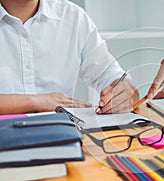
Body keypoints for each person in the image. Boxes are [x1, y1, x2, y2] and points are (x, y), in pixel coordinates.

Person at [0, 0, 138, 115]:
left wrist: (123, 91)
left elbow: (110, 74)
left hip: (62, 135)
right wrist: (37, 102)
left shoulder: (73, 18)